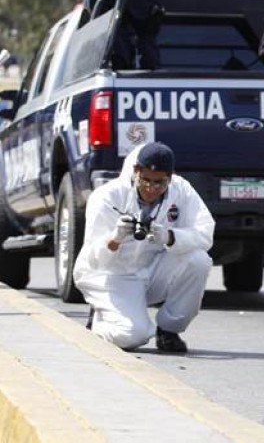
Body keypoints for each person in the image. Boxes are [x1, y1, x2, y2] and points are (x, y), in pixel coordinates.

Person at [74, 142, 214, 353]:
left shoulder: (181, 190)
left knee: (199, 261)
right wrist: (115, 239)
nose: (152, 189)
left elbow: (205, 233)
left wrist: (170, 236)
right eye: (146, 180)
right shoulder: (107, 196)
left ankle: (168, 330)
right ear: (136, 172)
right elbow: (94, 260)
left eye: (160, 183)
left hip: (150, 270)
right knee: (133, 336)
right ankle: (99, 321)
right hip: (112, 274)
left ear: (170, 177)